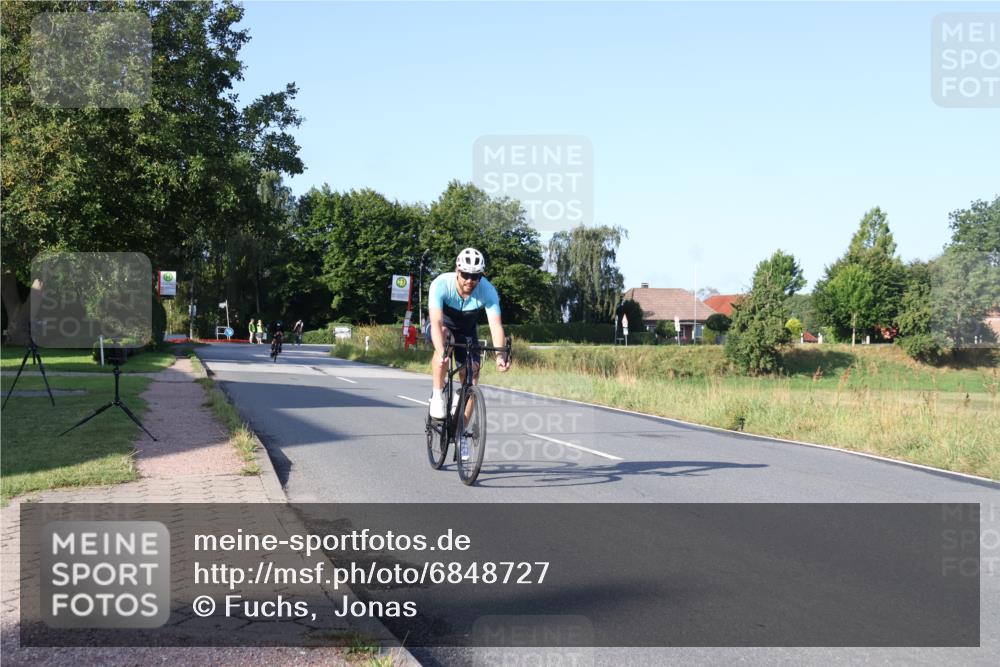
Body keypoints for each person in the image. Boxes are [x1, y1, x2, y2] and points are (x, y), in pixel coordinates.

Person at [427, 248, 511, 425]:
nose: (470, 281)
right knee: (445, 338)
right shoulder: (441, 284)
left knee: (472, 379)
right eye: (465, 275)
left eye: (476, 276)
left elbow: (495, 325)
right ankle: (437, 394)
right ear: (457, 271)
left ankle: (462, 435)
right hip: (444, 326)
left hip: (467, 330)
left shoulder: (488, 290)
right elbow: (435, 322)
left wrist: (499, 356)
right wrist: (442, 352)